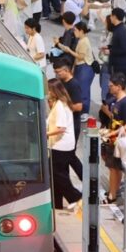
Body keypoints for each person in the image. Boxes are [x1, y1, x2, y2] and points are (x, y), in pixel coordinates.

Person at [46, 79, 81, 210]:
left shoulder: (60, 105)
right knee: (56, 177)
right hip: (62, 145)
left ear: (53, 91)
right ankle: (57, 204)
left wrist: (46, 134)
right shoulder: (61, 103)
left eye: (48, 90)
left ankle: (75, 197)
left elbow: (61, 128)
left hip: (60, 146)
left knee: (58, 175)